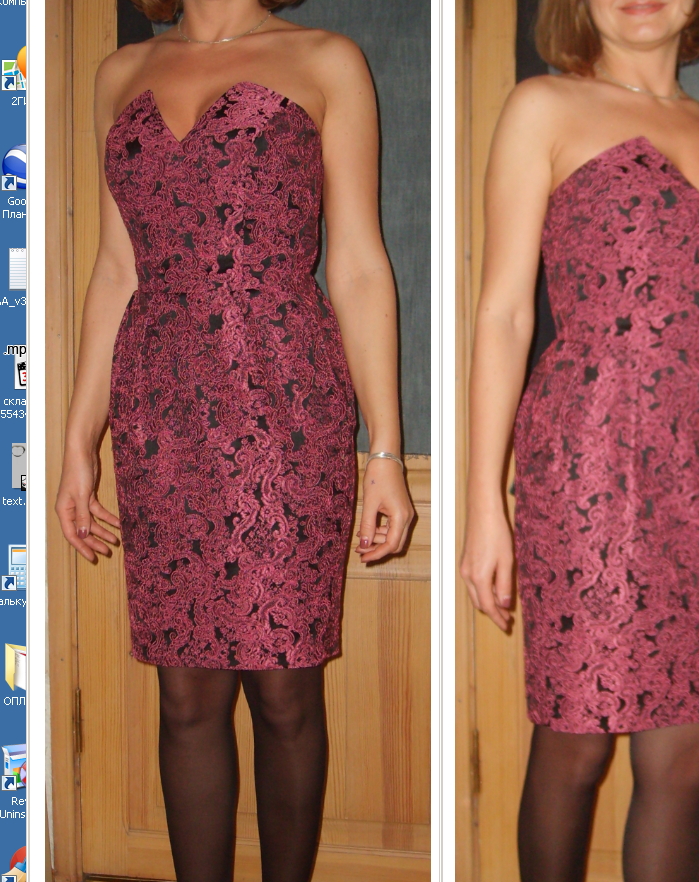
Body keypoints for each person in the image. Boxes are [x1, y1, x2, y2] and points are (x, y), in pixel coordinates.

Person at [458, 1, 699, 879]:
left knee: (687, 751)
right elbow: (504, 314)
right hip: (586, 453)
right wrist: (483, 504)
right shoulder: (543, 106)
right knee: (577, 738)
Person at [54, 1, 414, 880]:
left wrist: (386, 450)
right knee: (185, 693)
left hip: (284, 398)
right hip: (161, 410)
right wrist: (77, 439)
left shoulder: (326, 59)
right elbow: (116, 268)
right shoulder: (119, 74)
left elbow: (358, 262)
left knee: (285, 684)